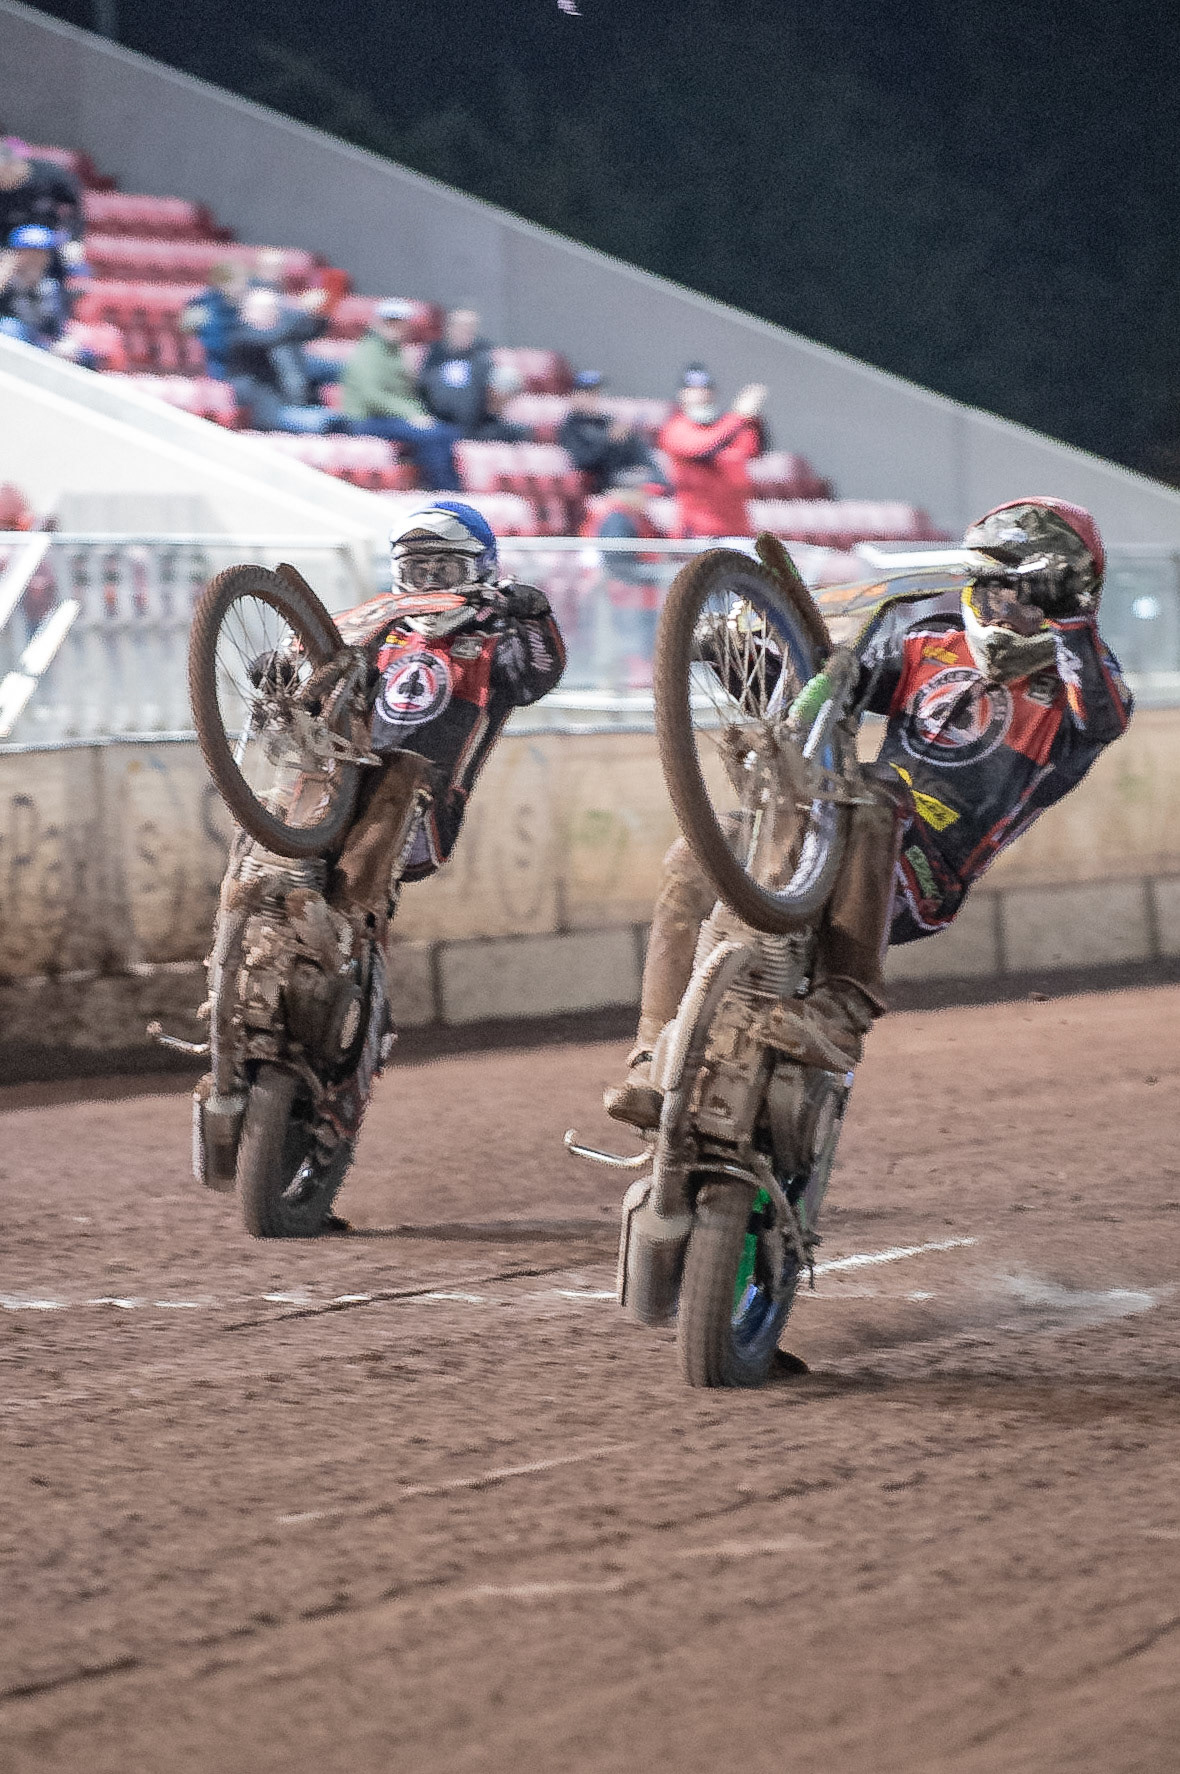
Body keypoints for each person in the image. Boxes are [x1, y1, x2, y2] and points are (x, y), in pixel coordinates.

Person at [605, 497, 1134, 1128]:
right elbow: (827, 692)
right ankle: (651, 1055)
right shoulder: (927, 645)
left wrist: (1069, 619)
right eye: (993, 594)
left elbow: (1101, 714)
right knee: (697, 852)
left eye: (1027, 596)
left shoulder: (1088, 693)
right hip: (832, 825)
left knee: (877, 786)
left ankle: (843, 1009)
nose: (1006, 611)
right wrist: (734, 656)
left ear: (1071, 595)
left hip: (923, 871)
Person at [339, 298, 462, 489]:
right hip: (365, 420)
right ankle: (444, 490)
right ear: (378, 323)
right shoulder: (368, 352)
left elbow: (405, 395)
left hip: (388, 418)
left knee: (445, 432)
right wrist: (411, 414)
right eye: (390, 322)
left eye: (400, 323)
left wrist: (419, 413)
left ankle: (442, 488)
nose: (395, 327)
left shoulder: (394, 351)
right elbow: (372, 396)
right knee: (433, 435)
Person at [657, 363, 765, 538]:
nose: (700, 395)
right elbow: (704, 450)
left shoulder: (728, 427)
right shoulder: (675, 428)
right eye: (692, 390)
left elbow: (754, 449)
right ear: (682, 394)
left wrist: (753, 419)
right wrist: (739, 416)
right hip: (698, 533)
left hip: (738, 529)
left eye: (705, 390)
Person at [223, 283, 341, 433]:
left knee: (343, 422)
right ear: (246, 312)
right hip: (268, 410)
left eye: (274, 309)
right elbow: (269, 338)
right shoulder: (241, 336)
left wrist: (318, 313)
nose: (272, 313)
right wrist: (302, 309)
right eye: (264, 309)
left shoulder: (284, 339)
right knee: (323, 424)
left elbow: (310, 331)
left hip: (298, 405)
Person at [559, 370, 661, 493]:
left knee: (648, 473)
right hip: (602, 482)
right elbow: (583, 461)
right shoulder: (570, 427)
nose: (592, 398)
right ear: (574, 395)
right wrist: (609, 440)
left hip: (626, 475)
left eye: (595, 393)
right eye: (587, 393)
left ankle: (657, 480)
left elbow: (633, 448)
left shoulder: (607, 421)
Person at [0, 139, 85, 280]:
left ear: (9, 166)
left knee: (74, 263)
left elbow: (75, 209)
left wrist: (75, 239)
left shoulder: (51, 176)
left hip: (50, 237)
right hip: (10, 243)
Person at [0, 224, 78, 355]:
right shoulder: (6, 281)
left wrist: (66, 342)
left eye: (40, 254)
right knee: (11, 327)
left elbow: (57, 327)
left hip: (37, 344)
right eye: (29, 253)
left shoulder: (50, 288)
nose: (35, 259)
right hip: (7, 339)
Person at [418, 308, 497, 436]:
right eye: (461, 327)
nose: (466, 332)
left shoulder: (482, 353)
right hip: (441, 420)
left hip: (478, 421)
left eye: (470, 328)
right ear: (449, 328)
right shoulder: (435, 353)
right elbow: (424, 386)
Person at [180, 261, 249, 380]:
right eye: (235, 282)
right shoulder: (202, 307)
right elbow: (192, 336)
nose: (241, 287)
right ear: (220, 284)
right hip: (214, 365)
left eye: (243, 283)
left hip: (243, 366)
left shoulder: (250, 307)